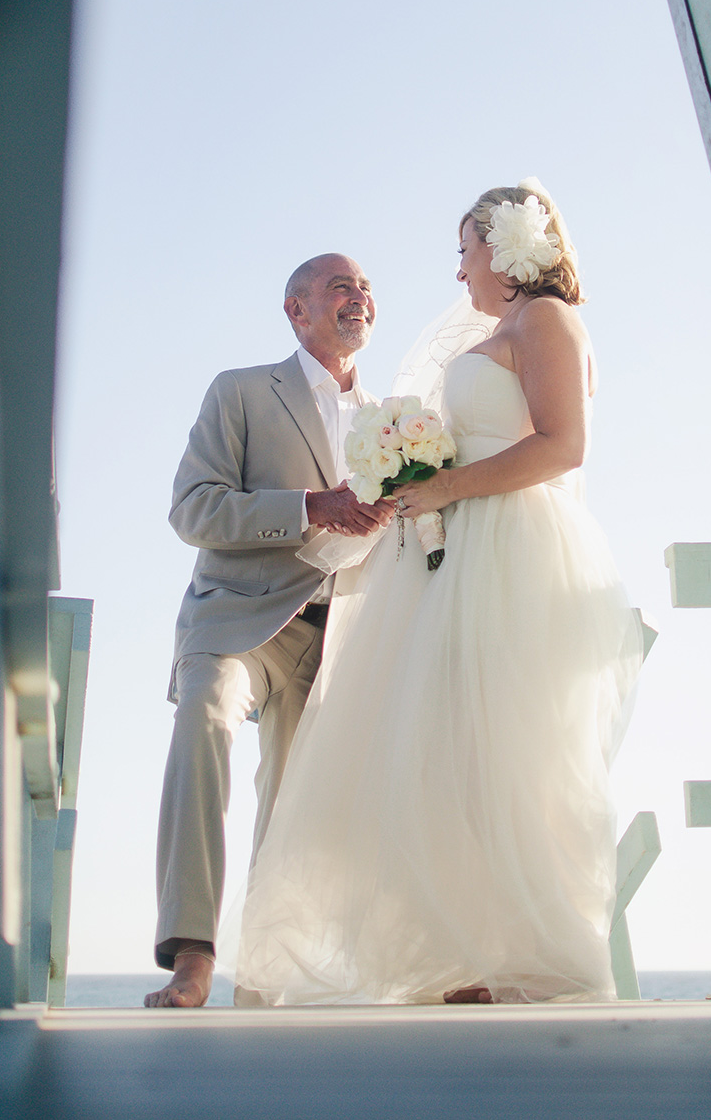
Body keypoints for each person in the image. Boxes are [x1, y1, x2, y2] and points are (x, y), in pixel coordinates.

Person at [233, 183, 643, 1005]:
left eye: (465, 251)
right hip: (461, 550)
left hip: (514, 550)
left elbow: (565, 446)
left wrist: (450, 485)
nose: (458, 273)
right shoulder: (501, 332)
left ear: (505, 245)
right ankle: (470, 953)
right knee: (453, 756)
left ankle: (535, 959)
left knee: (510, 753)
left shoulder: (550, 323)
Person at [145, 253, 395, 1008]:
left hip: (342, 633)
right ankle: (192, 956)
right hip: (239, 620)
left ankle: (262, 977)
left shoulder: (397, 419)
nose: (359, 298)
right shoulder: (244, 391)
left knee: (293, 801)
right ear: (296, 310)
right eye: (340, 286)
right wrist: (311, 505)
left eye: (365, 288)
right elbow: (194, 508)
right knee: (205, 717)